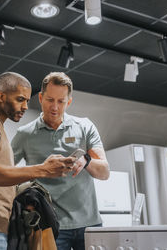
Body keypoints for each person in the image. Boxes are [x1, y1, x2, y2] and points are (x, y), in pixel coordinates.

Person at [0, 72, 75, 250]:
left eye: (26, 100)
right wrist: (42, 169)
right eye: (20, 99)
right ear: (1, 96)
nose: (25, 106)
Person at [11, 72, 110, 250]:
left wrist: (87, 160)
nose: (54, 107)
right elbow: (4, 172)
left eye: (61, 101)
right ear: (40, 98)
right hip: (49, 225)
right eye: (50, 99)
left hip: (89, 224)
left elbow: (104, 172)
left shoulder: (85, 127)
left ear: (69, 102)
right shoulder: (25, 134)